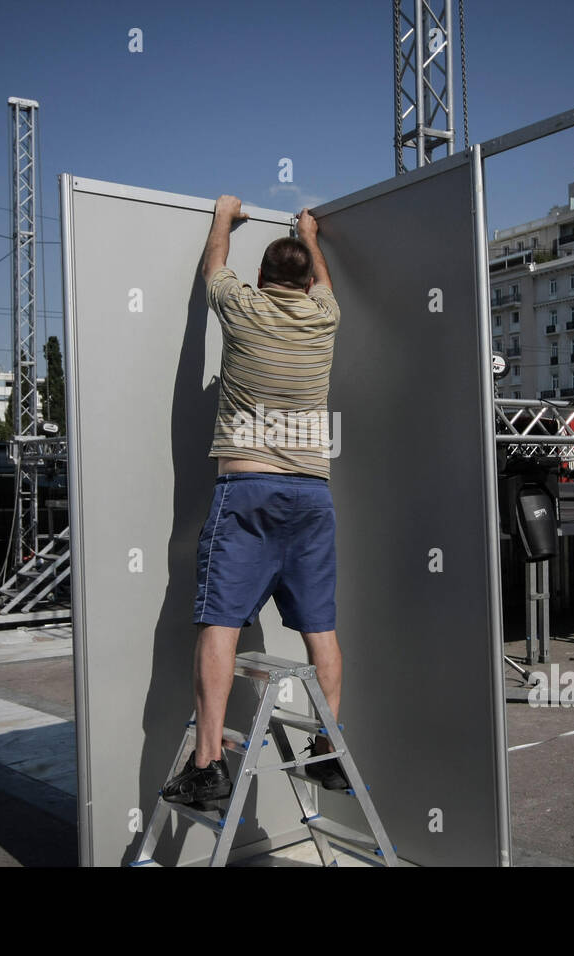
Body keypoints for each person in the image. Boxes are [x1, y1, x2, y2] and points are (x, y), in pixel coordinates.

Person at [162, 196, 345, 808]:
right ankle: (330, 750)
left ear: (263, 280)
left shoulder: (243, 308)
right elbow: (321, 279)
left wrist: (223, 219)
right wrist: (310, 234)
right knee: (321, 627)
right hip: (313, 495)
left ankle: (210, 763)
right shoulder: (326, 316)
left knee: (220, 623)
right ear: (305, 281)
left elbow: (214, 269)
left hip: (249, 491)